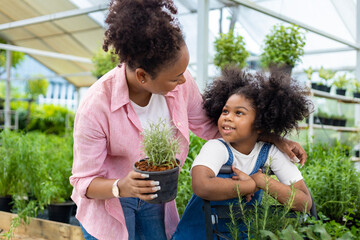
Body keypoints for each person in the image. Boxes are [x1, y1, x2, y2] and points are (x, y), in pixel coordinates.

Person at [69, 1, 307, 239]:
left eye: (184, 72)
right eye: (175, 77)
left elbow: (213, 126)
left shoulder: (180, 86)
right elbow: (84, 181)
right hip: (111, 205)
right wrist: (121, 186)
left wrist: (274, 139)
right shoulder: (97, 106)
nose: (183, 81)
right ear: (142, 76)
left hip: (156, 199)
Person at [171, 67, 314, 239]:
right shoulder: (216, 147)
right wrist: (250, 185)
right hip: (197, 235)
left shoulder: (270, 152)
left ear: (260, 124)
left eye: (239, 113)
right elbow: (202, 185)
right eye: (225, 111)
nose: (228, 117)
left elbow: (304, 203)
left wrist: (263, 180)